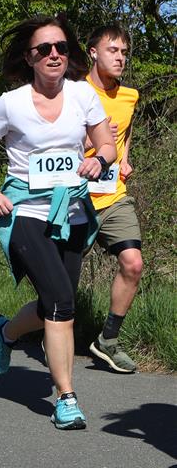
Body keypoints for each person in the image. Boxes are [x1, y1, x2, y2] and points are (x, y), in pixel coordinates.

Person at [0, 15, 116, 430]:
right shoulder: (9, 103)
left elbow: (106, 143)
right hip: (26, 214)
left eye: (61, 48)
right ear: (29, 57)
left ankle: (5, 332)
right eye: (44, 49)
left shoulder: (83, 94)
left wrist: (99, 160)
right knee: (61, 302)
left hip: (72, 213)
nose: (54, 55)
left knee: (56, 301)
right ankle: (66, 398)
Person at [84, 25, 142, 373]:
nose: (120, 58)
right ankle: (34, 328)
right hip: (75, 198)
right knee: (59, 282)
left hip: (113, 195)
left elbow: (127, 129)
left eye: (124, 52)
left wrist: (124, 158)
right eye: (112, 50)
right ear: (93, 52)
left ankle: (107, 340)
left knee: (133, 263)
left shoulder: (130, 96)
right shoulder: (74, 93)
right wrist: (92, 139)